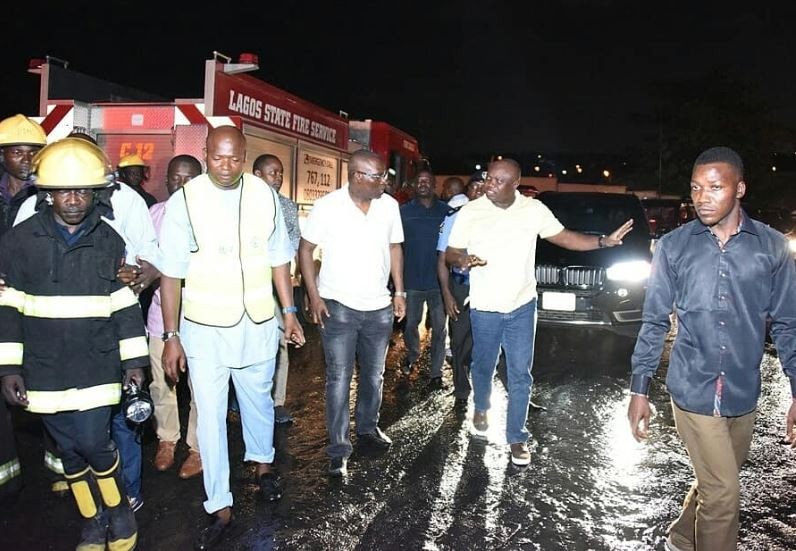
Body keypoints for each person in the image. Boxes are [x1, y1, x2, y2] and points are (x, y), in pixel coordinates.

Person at [627, 147, 796, 551]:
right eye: (695, 188)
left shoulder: (771, 248)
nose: (702, 197)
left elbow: (789, 324)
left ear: (739, 189)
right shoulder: (673, 247)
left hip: (742, 391)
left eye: (714, 188)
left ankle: (683, 538)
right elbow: (653, 321)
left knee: (717, 484)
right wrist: (639, 388)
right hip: (692, 390)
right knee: (725, 496)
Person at [159, 126, 304, 549]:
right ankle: (219, 503)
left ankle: (262, 465)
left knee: (258, 400)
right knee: (211, 414)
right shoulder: (184, 201)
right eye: (217, 157)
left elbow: (279, 260)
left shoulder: (264, 196)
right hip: (204, 330)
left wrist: (289, 312)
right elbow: (170, 273)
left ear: (245, 156)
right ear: (205, 154)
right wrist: (171, 335)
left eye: (234, 158)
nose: (226, 166)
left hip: (258, 323)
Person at [0, 138, 147, 551]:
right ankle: (91, 521)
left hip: (98, 364)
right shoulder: (18, 242)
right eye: (64, 190)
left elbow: (122, 305)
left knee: (94, 442)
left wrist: (135, 361)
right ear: (46, 194)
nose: (74, 199)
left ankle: (118, 512)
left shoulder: (109, 241)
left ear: (96, 193)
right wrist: (8, 368)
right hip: (43, 367)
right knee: (67, 449)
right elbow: (10, 306)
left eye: (83, 190)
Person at [446, 158, 632, 466]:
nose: (488, 184)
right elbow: (451, 252)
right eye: (488, 178)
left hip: (521, 305)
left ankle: (516, 437)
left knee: (520, 374)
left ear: (515, 184)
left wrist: (604, 241)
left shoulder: (532, 210)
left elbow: (565, 237)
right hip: (485, 308)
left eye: (497, 181)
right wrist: (461, 260)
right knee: (483, 365)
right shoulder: (471, 211)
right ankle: (481, 405)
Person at [299, 149, 406, 477]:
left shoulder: (389, 206)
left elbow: (395, 247)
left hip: (379, 307)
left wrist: (399, 291)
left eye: (384, 175)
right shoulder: (328, 206)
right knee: (339, 378)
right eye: (378, 177)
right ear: (358, 176)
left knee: (374, 376)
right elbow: (305, 250)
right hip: (338, 306)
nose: (384, 182)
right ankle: (338, 448)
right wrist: (314, 296)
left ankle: (368, 429)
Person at [148, 155, 203, 479]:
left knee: (201, 386)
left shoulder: (209, 217)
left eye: (188, 178)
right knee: (162, 384)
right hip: (160, 316)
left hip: (200, 317)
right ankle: (167, 439)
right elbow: (144, 257)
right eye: (175, 178)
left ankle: (197, 446)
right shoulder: (155, 214)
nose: (180, 184)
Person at [253, 153, 300, 424]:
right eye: (273, 173)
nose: (279, 178)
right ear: (257, 175)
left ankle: (277, 401)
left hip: (276, 285)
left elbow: (293, 240)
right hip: (247, 286)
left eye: (281, 173)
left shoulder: (287, 206)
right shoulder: (242, 204)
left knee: (281, 341)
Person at [436, 172, 486, 410]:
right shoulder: (455, 217)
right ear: (468, 190)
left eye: (484, 187)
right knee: (459, 339)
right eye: (475, 187)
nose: (480, 191)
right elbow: (442, 258)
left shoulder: (499, 218)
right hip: (461, 286)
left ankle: (482, 382)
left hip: (490, 288)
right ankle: (462, 390)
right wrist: (446, 294)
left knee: (485, 339)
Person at [400, 169, 449, 387]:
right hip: (411, 281)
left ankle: (436, 372)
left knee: (439, 329)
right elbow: (395, 247)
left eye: (427, 181)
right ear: (414, 185)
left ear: (434, 184)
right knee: (411, 324)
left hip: (439, 283)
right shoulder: (403, 212)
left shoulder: (446, 212)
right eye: (418, 181)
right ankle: (412, 354)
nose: (422, 184)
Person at [0, 115, 46, 238]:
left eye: (33, 152)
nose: (27, 160)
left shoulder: (48, 195)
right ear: (2, 155)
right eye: (17, 152)